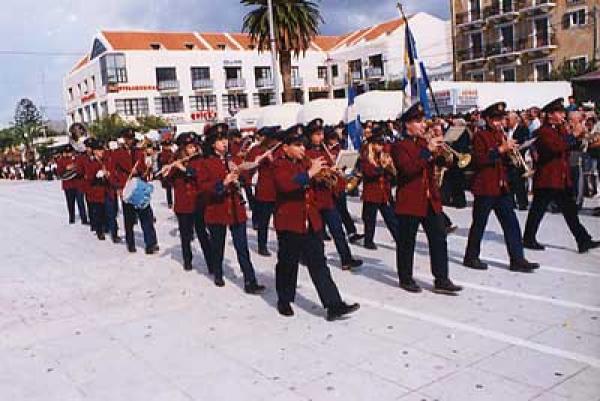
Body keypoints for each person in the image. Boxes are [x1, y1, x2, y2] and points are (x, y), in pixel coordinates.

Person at [272, 126, 360, 320]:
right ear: (285, 148)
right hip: (290, 222)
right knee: (288, 263)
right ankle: (284, 299)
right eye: (297, 145)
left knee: (319, 263)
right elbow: (285, 185)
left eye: (303, 145)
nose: (302, 149)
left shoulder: (305, 162)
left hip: (311, 220)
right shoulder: (278, 164)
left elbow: (323, 185)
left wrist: (333, 173)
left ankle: (333, 305)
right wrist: (311, 173)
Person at [391, 102, 463, 294]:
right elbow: (408, 169)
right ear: (407, 125)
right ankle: (406, 278)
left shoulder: (425, 142)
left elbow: (438, 163)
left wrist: (445, 154)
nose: (423, 125)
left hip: (431, 199)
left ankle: (442, 278)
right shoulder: (399, 146)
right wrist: (427, 151)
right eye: (418, 121)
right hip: (410, 200)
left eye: (423, 121)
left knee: (439, 238)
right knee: (407, 242)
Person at [463, 102, 539, 272]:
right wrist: (501, 150)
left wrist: (512, 155)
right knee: (479, 223)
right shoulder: (480, 136)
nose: (499, 123)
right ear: (488, 119)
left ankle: (517, 259)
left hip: (501, 186)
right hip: (485, 187)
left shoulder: (501, 135)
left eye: (501, 119)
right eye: (496, 119)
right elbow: (479, 160)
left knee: (511, 223)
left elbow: (504, 161)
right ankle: (471, 256)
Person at [523, 98, 600, 253]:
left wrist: (580, 136)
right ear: (550, 115)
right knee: (538, 210)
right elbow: (556, 147)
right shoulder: (543, 131)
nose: (562, 115)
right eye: (559, 112)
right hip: (548, 177)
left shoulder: (560, 130)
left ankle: (582, 239)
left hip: (560, 177)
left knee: (569, 211)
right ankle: (529, 238)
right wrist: (573, 136)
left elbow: (569, 147)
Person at [197, 123, 265, 293]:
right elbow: (203, 187)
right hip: (217, 208)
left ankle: (250, 280)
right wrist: (223, 183)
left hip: (235, 206)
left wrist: (248, 169)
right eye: (219, 140)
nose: (224, 143)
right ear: (212, 143)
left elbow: (245, 178)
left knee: (242, 246)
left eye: (224, 139)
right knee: (218, 245)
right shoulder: (205, 162)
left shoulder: (233, 158)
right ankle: (218, 273)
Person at [305, 118, 363, 271]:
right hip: (314, 199)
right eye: (317, 134)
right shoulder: (306, 153)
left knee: (337, 229)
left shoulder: (325, 151)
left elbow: (332, 171)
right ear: (310, 136)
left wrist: (338, 170)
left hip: (328, 198)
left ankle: (346, 259)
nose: (321, 137)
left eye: (321, 133)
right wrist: (324, 172)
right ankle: (310, 257)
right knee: (314, 233)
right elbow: (309, 175)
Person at [166, 132, 213, 271]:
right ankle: (187, 260)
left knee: (203, 234)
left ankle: (211, 263)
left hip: (198, 202)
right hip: (182, 204)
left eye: (194, 146)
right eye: (190, 147)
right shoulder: (174, 160)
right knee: (185, 235)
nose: (193, 149)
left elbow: (198, 175)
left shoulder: (199, 160)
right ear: (183, 148)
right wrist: (168, 172)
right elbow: (167, 183)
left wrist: (184, 169)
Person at [111, 128, 159, 254]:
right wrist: (118, 187)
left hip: (138, 185)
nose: (129, 141)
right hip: (126, 186)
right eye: (127, 139)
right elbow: (113, 172)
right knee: (129, 218)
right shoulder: (116, 153)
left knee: (146, 215)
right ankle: (130, 243)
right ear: (123, 139)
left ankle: (151, 243)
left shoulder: (138, 152)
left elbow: (143, 169)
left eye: (131, 139)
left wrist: (146, 168)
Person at [245, 126, 281, 256]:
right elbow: (247, 167)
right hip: (265, 192)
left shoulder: (281, 149)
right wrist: (256, 162)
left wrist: (273, 160)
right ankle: (262, 245)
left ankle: (282, 244)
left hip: (280, 191)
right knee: (263, 221)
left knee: (281, 222)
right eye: (274, 139)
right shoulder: (257, 149)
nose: (276, 142)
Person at [360, 127, 398, 249]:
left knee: (391, 218)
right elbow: (369, 172)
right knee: (370, 219)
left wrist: (390, 169)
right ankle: (368, 240)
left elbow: (391, 173)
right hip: (372, 192)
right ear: (372, 144)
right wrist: (382, 168)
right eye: (377, 144)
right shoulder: (366, 155)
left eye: (381, 144)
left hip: (383, 192)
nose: (380, 147)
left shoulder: (382, 155)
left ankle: (399, 239)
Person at [325, 126, 364, 244]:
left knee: (343, 210)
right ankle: (323, 231)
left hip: (339, 184)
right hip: (328, 186)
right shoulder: (323, 150)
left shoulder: (338, 149)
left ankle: (351, 232)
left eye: (335, 139)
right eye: (332, 139)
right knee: (328, 211)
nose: (334, 141)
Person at [82, 139, 110, 241]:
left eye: (101, 150)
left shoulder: (105, 160)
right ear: (94, 151)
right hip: (95, 190)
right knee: (97, 212)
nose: (101, 152)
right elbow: (88, 176)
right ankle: (99, 231)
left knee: (107, 211)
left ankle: (107, 227)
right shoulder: (89, 161)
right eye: (98, 150)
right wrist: (96, 175)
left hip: (105, 190)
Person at [56, 144, 88, 225]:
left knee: (81, 202)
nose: (68, 154)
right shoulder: (60, 161)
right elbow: (59, 173)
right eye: (66, 152)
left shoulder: (78, 159)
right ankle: (71, 217)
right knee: (70, 202)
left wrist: (75, 168)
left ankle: (84, 218)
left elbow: (82, 169)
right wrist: (66, 168)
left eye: (70, 152)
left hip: (78, 184)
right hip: (68, 185)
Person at [505, 111, 531, 210]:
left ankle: (522, 203)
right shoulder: (506, 130)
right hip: (508, 159)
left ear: (516, 120)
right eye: (507, 119)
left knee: (519, 183)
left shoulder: (522, 129)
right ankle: (511, 203)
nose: (507, 121)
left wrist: (517, 145)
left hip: (518, 158)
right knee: (510, 182)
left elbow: (525, 141)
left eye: (509, 119)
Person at [158, 132, 176, 209]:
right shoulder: (161, 154)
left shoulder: (173, 153)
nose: (167, 147)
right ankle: (170, 202)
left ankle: (175, 201)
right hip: (165, 172)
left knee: (175, 187)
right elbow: (159, 164)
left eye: (168, 145)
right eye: (166, 145)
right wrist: (160, 175)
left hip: (172, 171)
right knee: (168, 188)